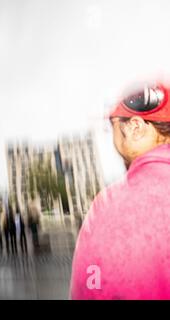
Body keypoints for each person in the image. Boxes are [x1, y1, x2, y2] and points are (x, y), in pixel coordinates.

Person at [70, 82, 170, 299]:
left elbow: (90, 291)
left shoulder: (108, 207)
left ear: (134, 128)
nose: (113, 140)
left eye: (112, 126)